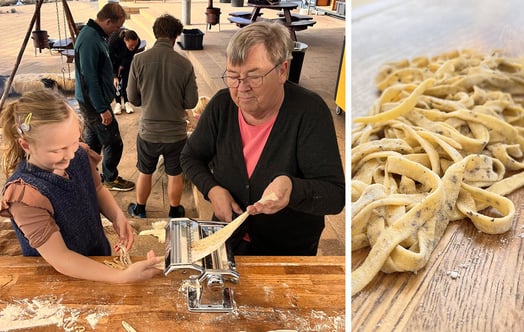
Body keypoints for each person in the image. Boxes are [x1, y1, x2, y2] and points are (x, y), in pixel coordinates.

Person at [180, 21, 345, 256]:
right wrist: (213, 189)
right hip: (229, 239)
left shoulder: (309, 112)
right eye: (233, 76)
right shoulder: (221, 105)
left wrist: (292, 189)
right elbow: (190, 156)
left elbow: (335, 195)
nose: (241, 87)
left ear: (282, 71)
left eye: (253, 76)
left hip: (286, 251)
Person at [0, 89, 162, 283]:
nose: (69, 155)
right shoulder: (25, 195)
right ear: (26, 145)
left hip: (96, 256)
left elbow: (97, 189)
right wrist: (121, 276)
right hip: (56, 280)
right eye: (57, 150)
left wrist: (117, 217)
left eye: (74, 142)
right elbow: (61, 258)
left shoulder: (79, 155)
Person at [126, 14, 199, 218]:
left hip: (148, 132)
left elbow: (133, 98)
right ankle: (175, 211)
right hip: (176, 134)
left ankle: (140, 209)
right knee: (174, 173)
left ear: (156, 33)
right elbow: (191, 102)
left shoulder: (138, 60)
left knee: (145, 171)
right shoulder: (185, 64)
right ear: (176, 36)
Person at [74, 2, 135, 192]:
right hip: (94, 103)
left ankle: (84, 176)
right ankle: (110, 178)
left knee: (92, 142)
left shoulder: (95, 35)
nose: (117, 31)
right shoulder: (90, 40)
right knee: (113, 141)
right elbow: (89, 78)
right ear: (108, 21)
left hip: (93, 101)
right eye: (116, 27)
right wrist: (102, 109)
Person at [108, 29, 141, 115]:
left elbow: (131, 54)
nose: (133, 47)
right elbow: (110, 58)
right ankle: (118, 103)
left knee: (127, 79)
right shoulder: (113, 41)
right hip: (114, 59)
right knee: (116, 82)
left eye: (135, 45)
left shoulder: (137, 42)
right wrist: (114, 75)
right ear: (125, 40)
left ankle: (127, 102)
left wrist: (123, 64)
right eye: (131, 45)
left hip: (126, 60)